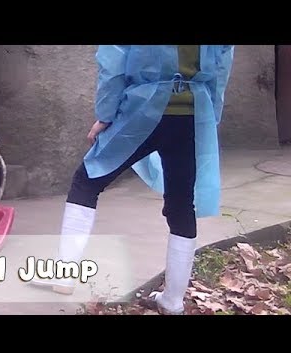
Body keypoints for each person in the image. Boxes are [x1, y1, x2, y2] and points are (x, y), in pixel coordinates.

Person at [31, 45, 235, 315]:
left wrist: (105, 115)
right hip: (193, 114)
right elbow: (221, 67)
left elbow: (113, 63)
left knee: (87, 180)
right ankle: (173, 301)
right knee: (182, 204)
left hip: (143, 109)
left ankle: (64, 274)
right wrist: (211, 117)